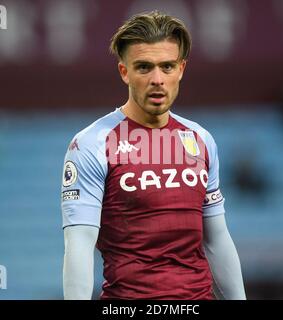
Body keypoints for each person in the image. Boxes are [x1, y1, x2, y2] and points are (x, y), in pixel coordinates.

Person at [61, 10, 246, 300]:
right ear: (125, 72)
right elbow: (79, 245)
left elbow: (217, 239)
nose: (157, 79)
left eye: (167, 67)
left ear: (181, 69)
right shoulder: (91, 144)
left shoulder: (201, 140)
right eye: (144, 67)